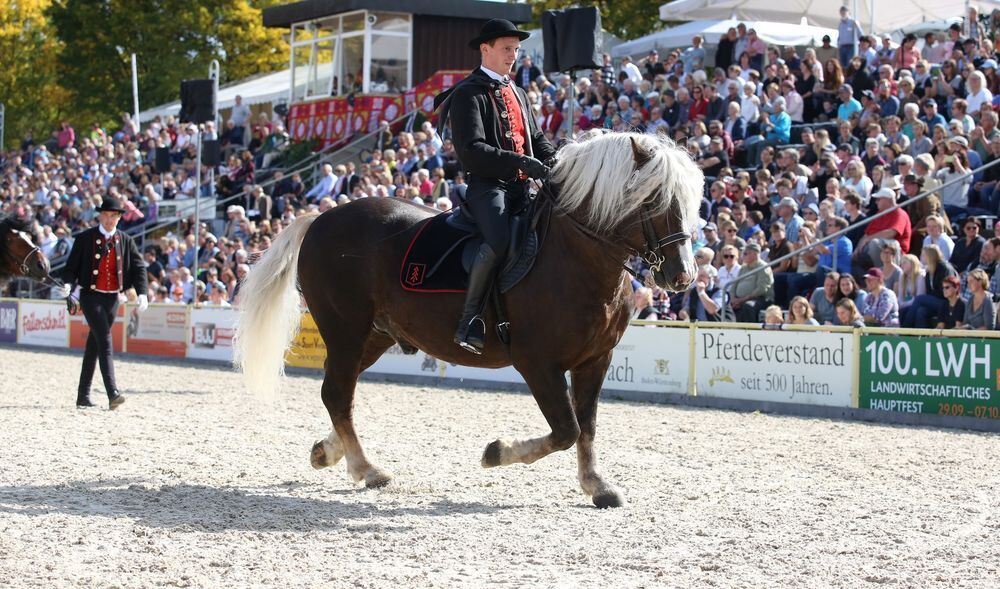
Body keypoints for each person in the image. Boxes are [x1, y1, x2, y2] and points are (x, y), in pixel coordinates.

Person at [435, 19, 556, 354]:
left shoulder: (518, 92)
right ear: (485, 49)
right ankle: (469, 319)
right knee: (500, 239)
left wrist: (557, 159)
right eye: (506, 48)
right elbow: (471, 151)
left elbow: (537, 139)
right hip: (488, 186)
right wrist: (522, 163)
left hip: (523, 186)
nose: (513, 55)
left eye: (516, 49)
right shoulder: (467, 93)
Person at [56, 196, 148, 409]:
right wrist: (68, 284)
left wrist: (142, 292)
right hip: (91, 296)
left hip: (113, 298)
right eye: (105, 215)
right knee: (105, 340)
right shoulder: (84, 238)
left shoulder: (125, 240)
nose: (109, 220)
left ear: (119, 218)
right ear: (100, 216)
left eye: (113, 216)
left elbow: (138, 267)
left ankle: (83, 396)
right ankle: (112, 393)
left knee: (94, 346)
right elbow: (71, 267)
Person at [729, 242, 773, 322]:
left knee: (748, 306)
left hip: (760, 298)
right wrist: (733, 299)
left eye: (745, 253)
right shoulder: (743, 268)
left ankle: (750, 328)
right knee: (726, 305)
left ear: (755, 254)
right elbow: (734, 285)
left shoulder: (763, 267)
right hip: (740, 300)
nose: (742, 256)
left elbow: (762, 289)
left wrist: (742, 300)